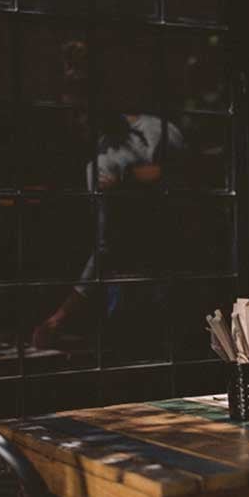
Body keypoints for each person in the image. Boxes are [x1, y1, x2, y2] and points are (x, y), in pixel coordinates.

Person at [32, 41, 186, 348]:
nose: (75, 122)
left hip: (141, 292)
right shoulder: (161, 130)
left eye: (77, 112)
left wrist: (59, 317)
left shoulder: (107, 160)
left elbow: (106, 249)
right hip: (184, 284)